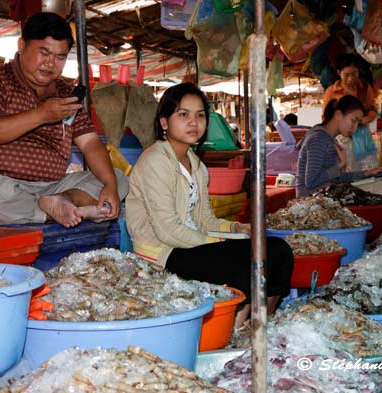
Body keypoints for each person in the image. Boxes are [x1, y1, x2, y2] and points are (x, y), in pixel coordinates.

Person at [126, 83, 294, 326]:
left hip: (192, 243)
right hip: (162, 252)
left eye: (200, 115)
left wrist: (237, 229)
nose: (193, 122)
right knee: (243, 261)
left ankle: (263, 324)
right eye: (183, 115)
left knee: (278, 250)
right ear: (164, 122)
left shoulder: (195, 164)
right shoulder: (155, 161)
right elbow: (167, 230)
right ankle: (235, 329)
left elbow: (205, 220)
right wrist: (218, 243)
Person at [0, 12, 128, 228]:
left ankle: (63, 203)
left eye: (60, 57)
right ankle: (62, 209)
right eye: (44, 52)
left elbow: (91, 142)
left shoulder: (66, 92)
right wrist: (42, 115)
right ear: (21, 45)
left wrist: (110, 185)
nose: (50, 63)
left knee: (119, 178)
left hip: (52, 187)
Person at [296, 95, 382, 197]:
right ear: (338, 114)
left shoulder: (329, 138)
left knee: (379, 184)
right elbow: (311, 182)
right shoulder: (318, 139)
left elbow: (335, 177)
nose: (355, 128)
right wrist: (340, 165)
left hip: (324, 197)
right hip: (310, 202)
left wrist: (367, 173)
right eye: (353, 120)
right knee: (380, 187)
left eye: (358, 123)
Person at [323, 54, 379, 171]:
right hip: (342, 139)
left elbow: (372, 109)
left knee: (368, 170)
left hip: (362, 137)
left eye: (354, 74)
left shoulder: (364, 88)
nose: (350, 78)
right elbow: (326, 118)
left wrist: (366, 119)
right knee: (347, 171)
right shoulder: (332, 92)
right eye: (346, 75)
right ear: (339, 73)